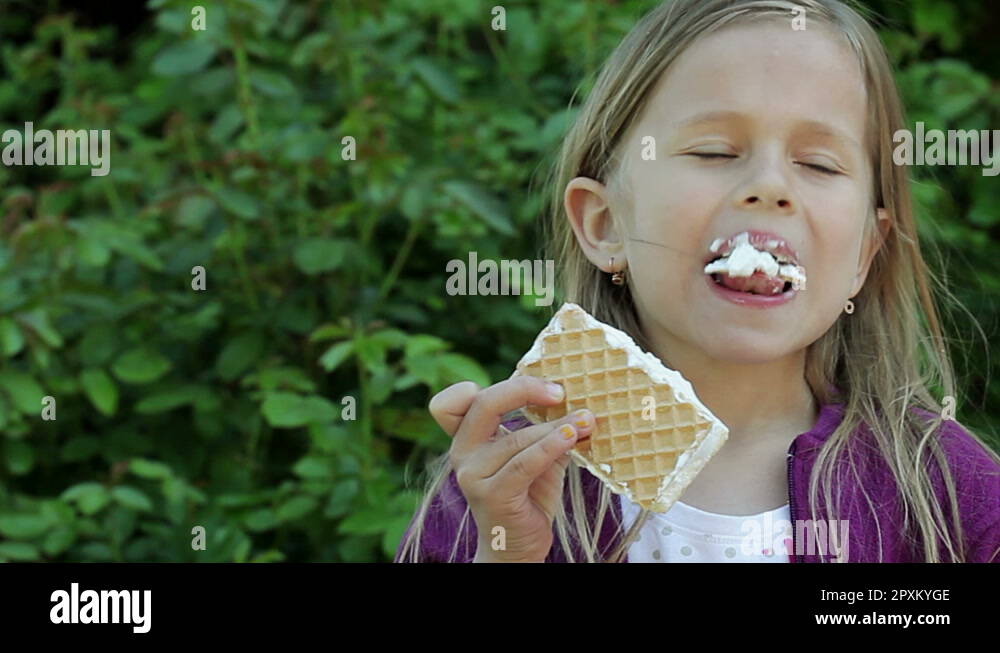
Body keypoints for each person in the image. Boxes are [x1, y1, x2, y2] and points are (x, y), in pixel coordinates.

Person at [394, 0, 1000, 563]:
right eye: (713, 152)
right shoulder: (500, 488)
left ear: (865, 253)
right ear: (605, 225)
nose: (771, 186)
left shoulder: (953, 498)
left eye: (818, 163)